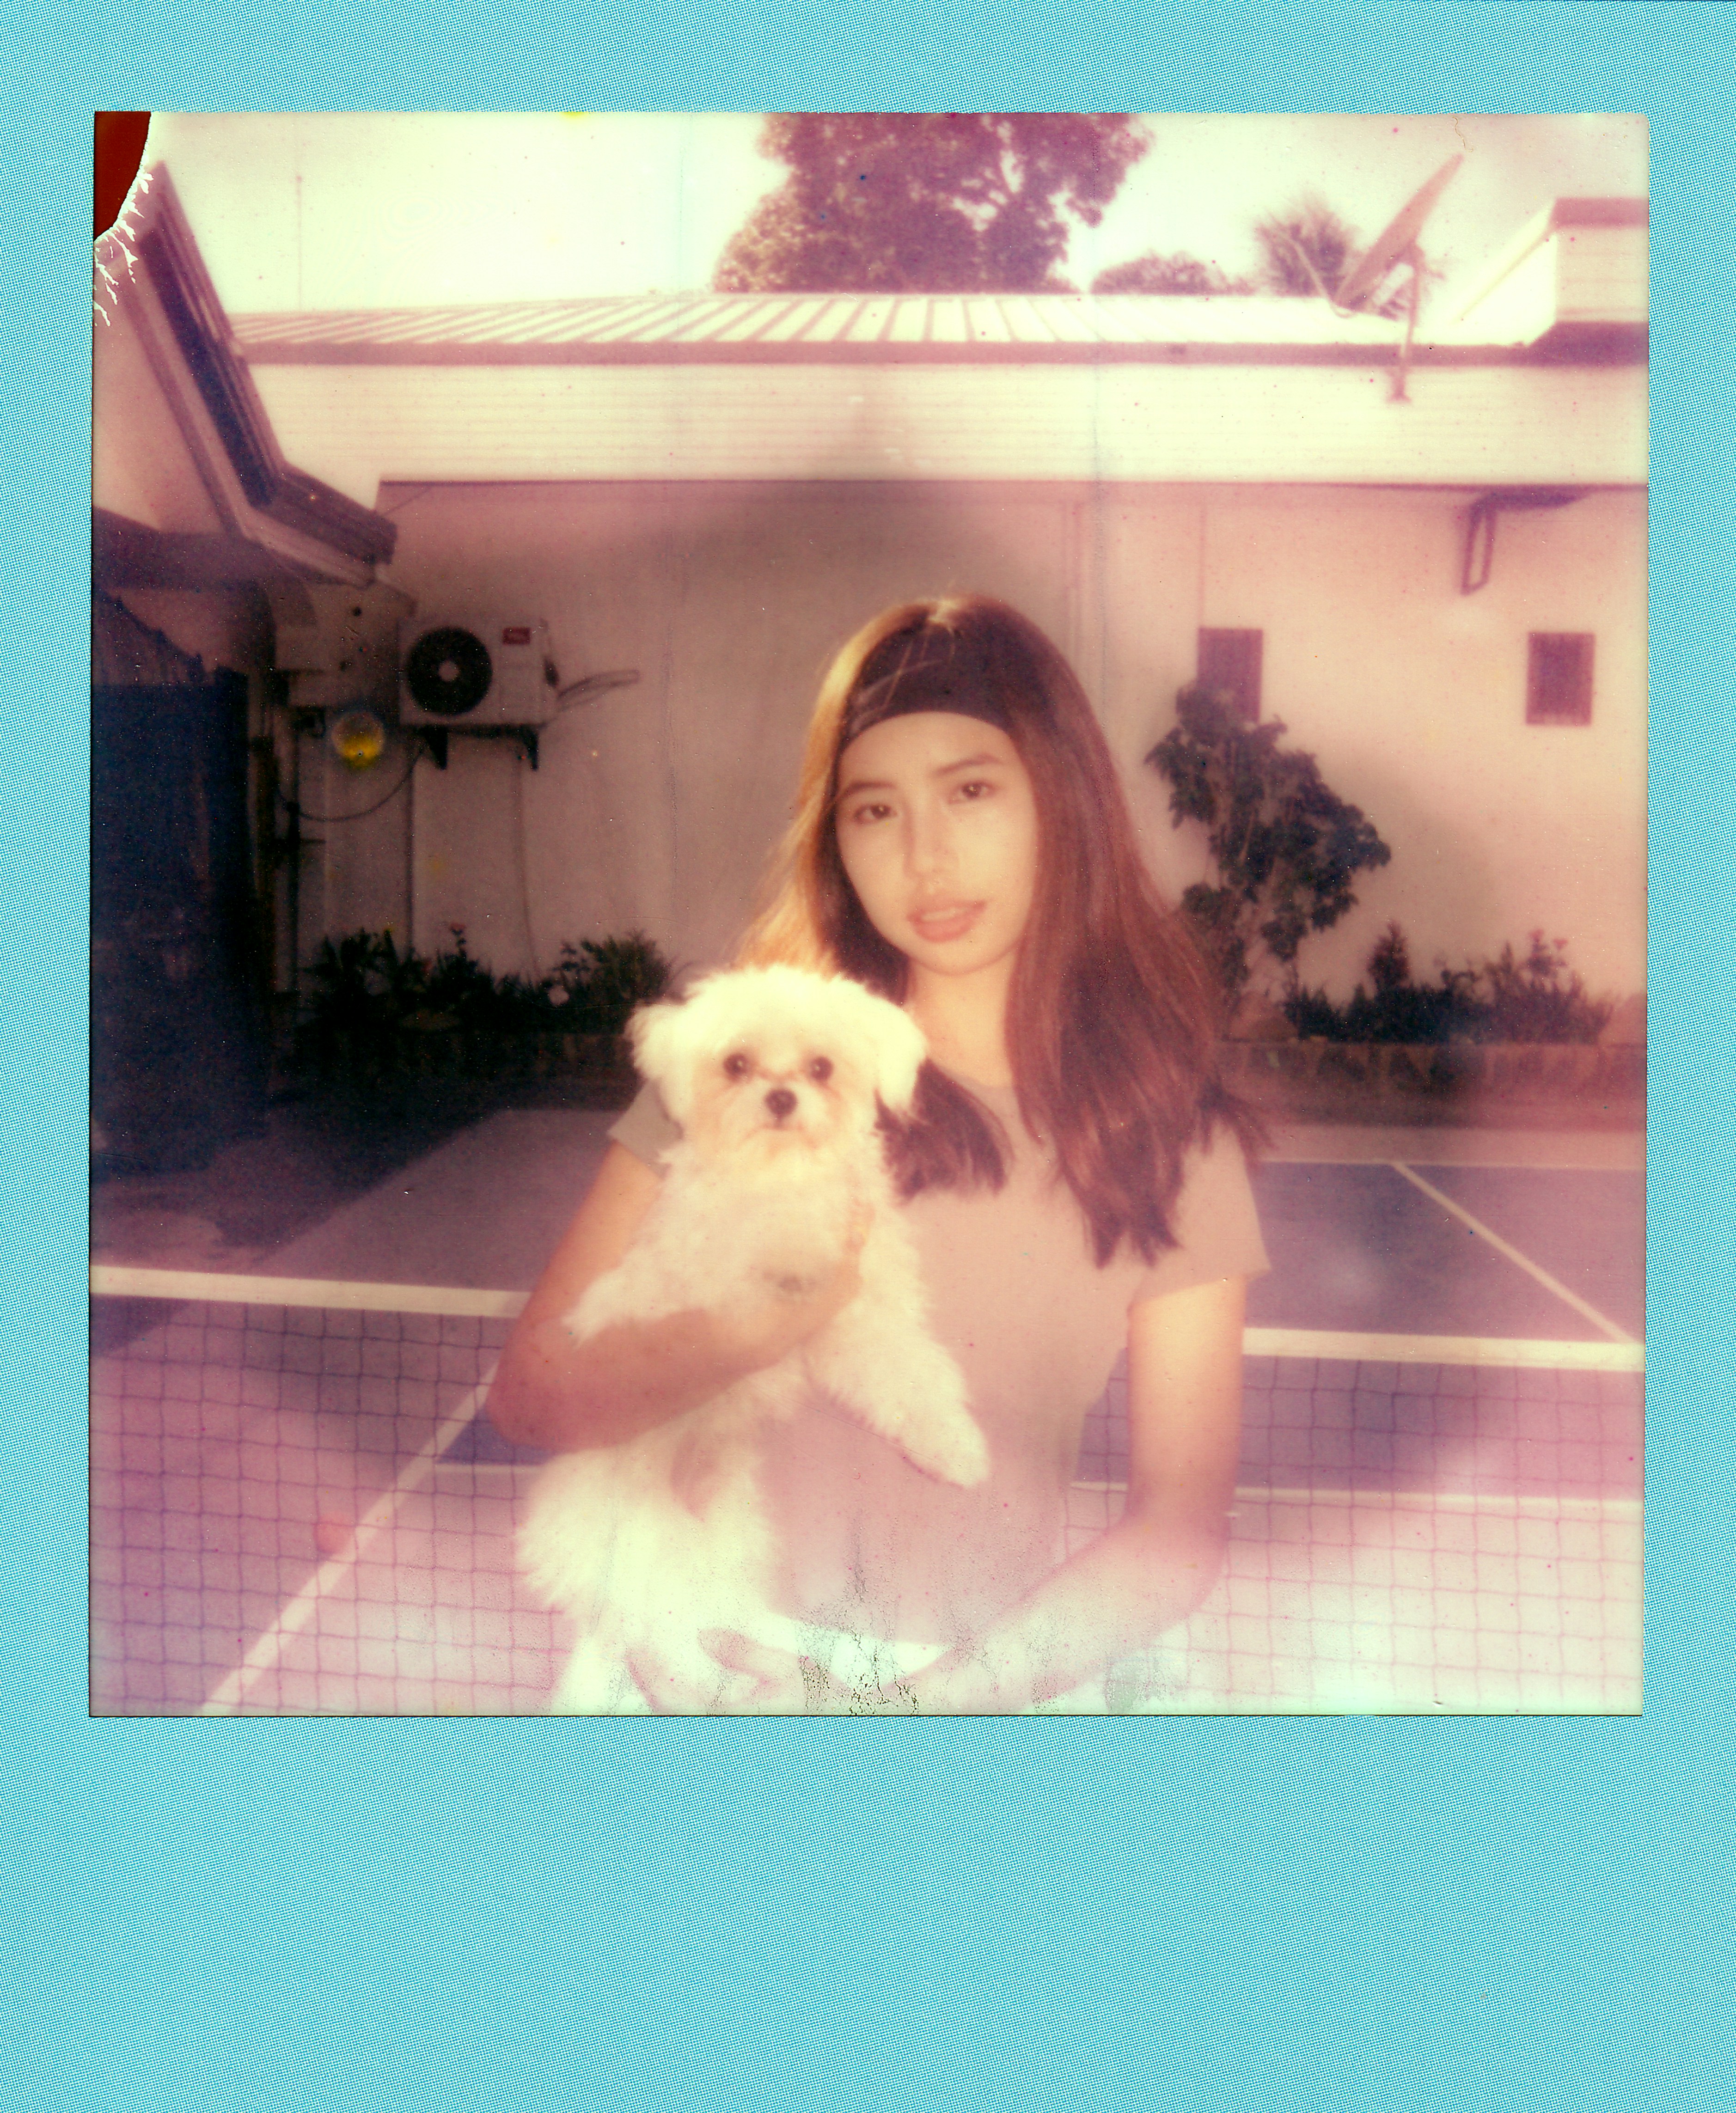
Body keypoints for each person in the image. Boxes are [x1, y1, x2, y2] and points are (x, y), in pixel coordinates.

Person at [487, 594, 1269, 1711]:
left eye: (972, 791)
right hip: (691, 1675)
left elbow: (1180, 1529)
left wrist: (910, 1714)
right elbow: (532, 1399)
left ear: (1066, 803)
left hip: (971, 1697)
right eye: (872, 810)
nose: (926, 856)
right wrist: (769, 1325)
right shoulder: (740, 1076)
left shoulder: (1170, 1140)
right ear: (836, 840)